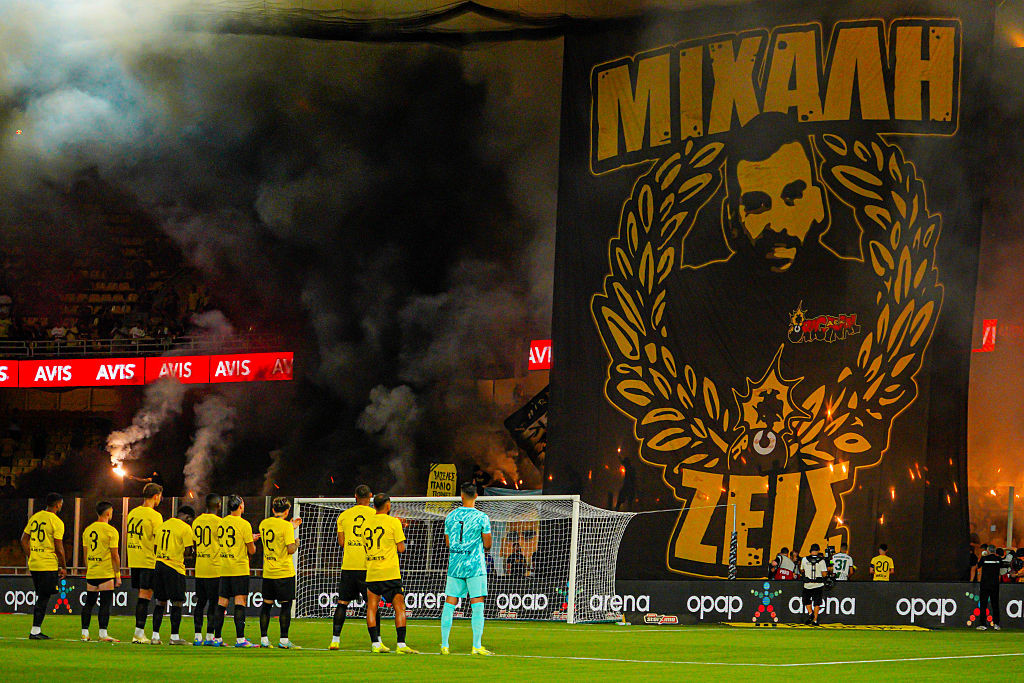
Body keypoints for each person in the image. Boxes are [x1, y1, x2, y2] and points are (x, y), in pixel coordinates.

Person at [440, 483, 494, 656]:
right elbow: (488, 544)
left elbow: (448, 543)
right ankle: (476, 645)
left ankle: (444, 645)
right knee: (477, 603)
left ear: (461, 496)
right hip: (475, 565)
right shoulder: (482, 517)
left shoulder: (450, 516)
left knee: (450, 602)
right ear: (476, 496)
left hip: (455, 564)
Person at [364, 493, 417, 654]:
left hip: (372, 571)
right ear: (388, 505)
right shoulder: (393, 522)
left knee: (372, 607)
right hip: (390, 572)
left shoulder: (366, 523)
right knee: (399, 607)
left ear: (374, 506)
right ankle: (401, 644)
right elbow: (401, 548)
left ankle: (375, 644)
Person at [331, 485, 374, 650]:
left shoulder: (343, 515)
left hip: (348, 566)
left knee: (342, 603)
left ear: (355, 496)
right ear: (370, 496)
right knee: (371, 605)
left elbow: (341, 542)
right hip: (368, 566)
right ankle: (376, 642)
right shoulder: (375, 515)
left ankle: (335, 640)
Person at [258, 496, 302, 649]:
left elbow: (276, 536)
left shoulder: (264, 524)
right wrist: (296, 543)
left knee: (266, 606)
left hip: (268, 572)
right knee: (285, 606)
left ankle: (264, 639)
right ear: (287, 511)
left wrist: (291, 527)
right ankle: (283, 640)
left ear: (273, 509)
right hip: (284, 572)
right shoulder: (286, 527)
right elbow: (290, 549)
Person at [21, 492, 66, 639]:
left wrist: (31, 555)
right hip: (47, 564)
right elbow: (59, 547)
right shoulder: (56, 521)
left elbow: (23, 540)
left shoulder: (35, 517)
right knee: (43, 597)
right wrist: (64, 566)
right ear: (58, 504)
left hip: (35, 564)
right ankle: (35, 630)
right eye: (61, 503)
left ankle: (36, 629)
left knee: (42, 596)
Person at [218, 495, 258, 647]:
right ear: (240, 506)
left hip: (224, 567)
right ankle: (240, 639)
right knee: (240, 602)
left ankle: (217, 638)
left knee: (222, 602)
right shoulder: (244, 524)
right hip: (239, 568)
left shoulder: (222, 523)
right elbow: (252, 550)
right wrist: (251, 541)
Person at [152, 505, 195, 645]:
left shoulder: (163, 525)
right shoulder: (185, 528)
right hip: (174, 567)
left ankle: (155, 636)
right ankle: (174, 637)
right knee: (177, 602)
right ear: (187, 517)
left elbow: (155, 547)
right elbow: (188, 551)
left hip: (159, 564)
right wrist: (189, 554)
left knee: (160, 602)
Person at [126, 482, 163, 644]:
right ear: (155, 496)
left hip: (134, 559)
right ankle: (139, 633)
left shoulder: (132, 513)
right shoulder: (155, 516)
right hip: (148, 560)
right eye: (160, 496)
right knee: (146, 596)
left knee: (142, 595)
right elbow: (158, 540)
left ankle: (140, 632)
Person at [81, 501, 121, 642]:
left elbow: (85, 554)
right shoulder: (111, 531)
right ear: (108, 513)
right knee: (105, 603)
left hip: (92, 572)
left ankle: (84, 633)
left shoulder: (88, 530)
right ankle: (103, 634)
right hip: (106, 573)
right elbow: (115, 555)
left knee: (89, 603)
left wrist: (89, 568)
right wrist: (117, 575)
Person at [191, 494, 222, 645]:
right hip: (214, 568)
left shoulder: (197, 521)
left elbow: (194, 544)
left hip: (200, 567)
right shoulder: (219, 522)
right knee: (214, 603)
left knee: (200, 602)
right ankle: (210, 635)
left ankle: (197, 636)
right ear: (219, 505)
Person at [976, 545, 1006, 630]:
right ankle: (996, 624)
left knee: (983, 604)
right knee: (995, 604)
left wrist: (982, 556)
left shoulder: (984, 558)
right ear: (995, 551)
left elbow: (978, 566)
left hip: (985, 585)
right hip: (995, 585)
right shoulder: (998, 559)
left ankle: (983, 624)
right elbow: (1003, 565)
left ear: (988, 551)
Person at [800, 544, 829, 626]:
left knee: (806, 601)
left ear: (810, 550)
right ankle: (815, 620)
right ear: (818, 551)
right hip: (818, 584)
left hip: (807, 584)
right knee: (817, 602)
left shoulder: (804, 559)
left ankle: (810, 613)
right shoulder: (822, 561)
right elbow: (824, 574)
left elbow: (802, 570)